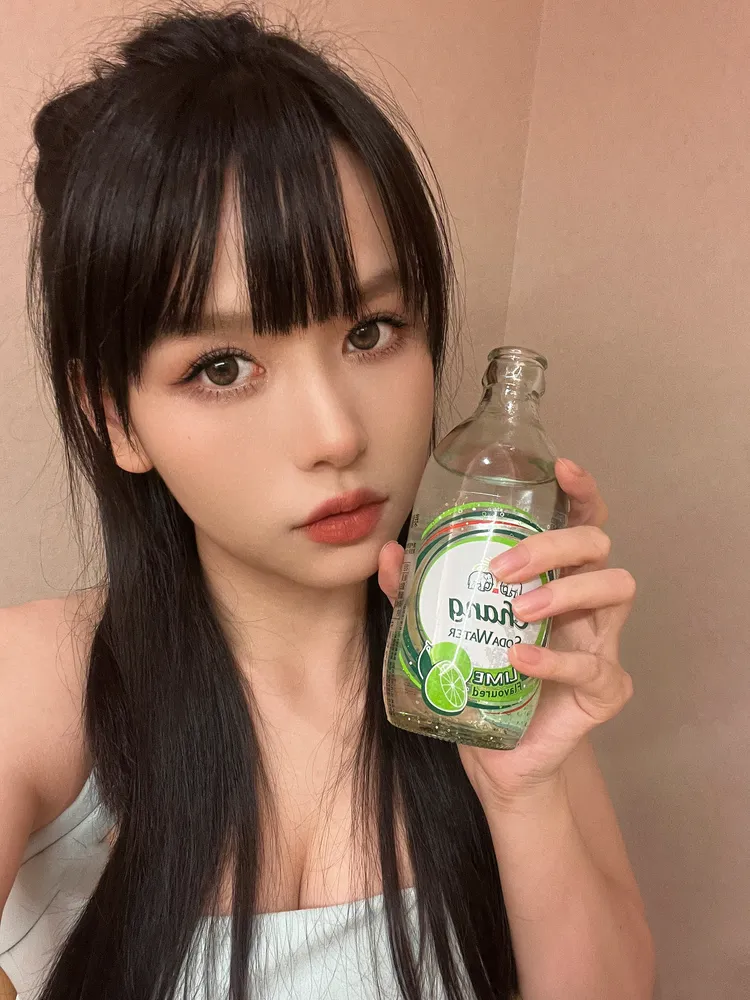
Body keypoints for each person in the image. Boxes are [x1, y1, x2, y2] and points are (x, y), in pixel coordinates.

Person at [0, 5, 655, 1000]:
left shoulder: (481, 676)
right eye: (223, 366)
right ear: (116, 418)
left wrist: (528, 786)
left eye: (370, 331)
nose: (336, 434)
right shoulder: (41, 683)